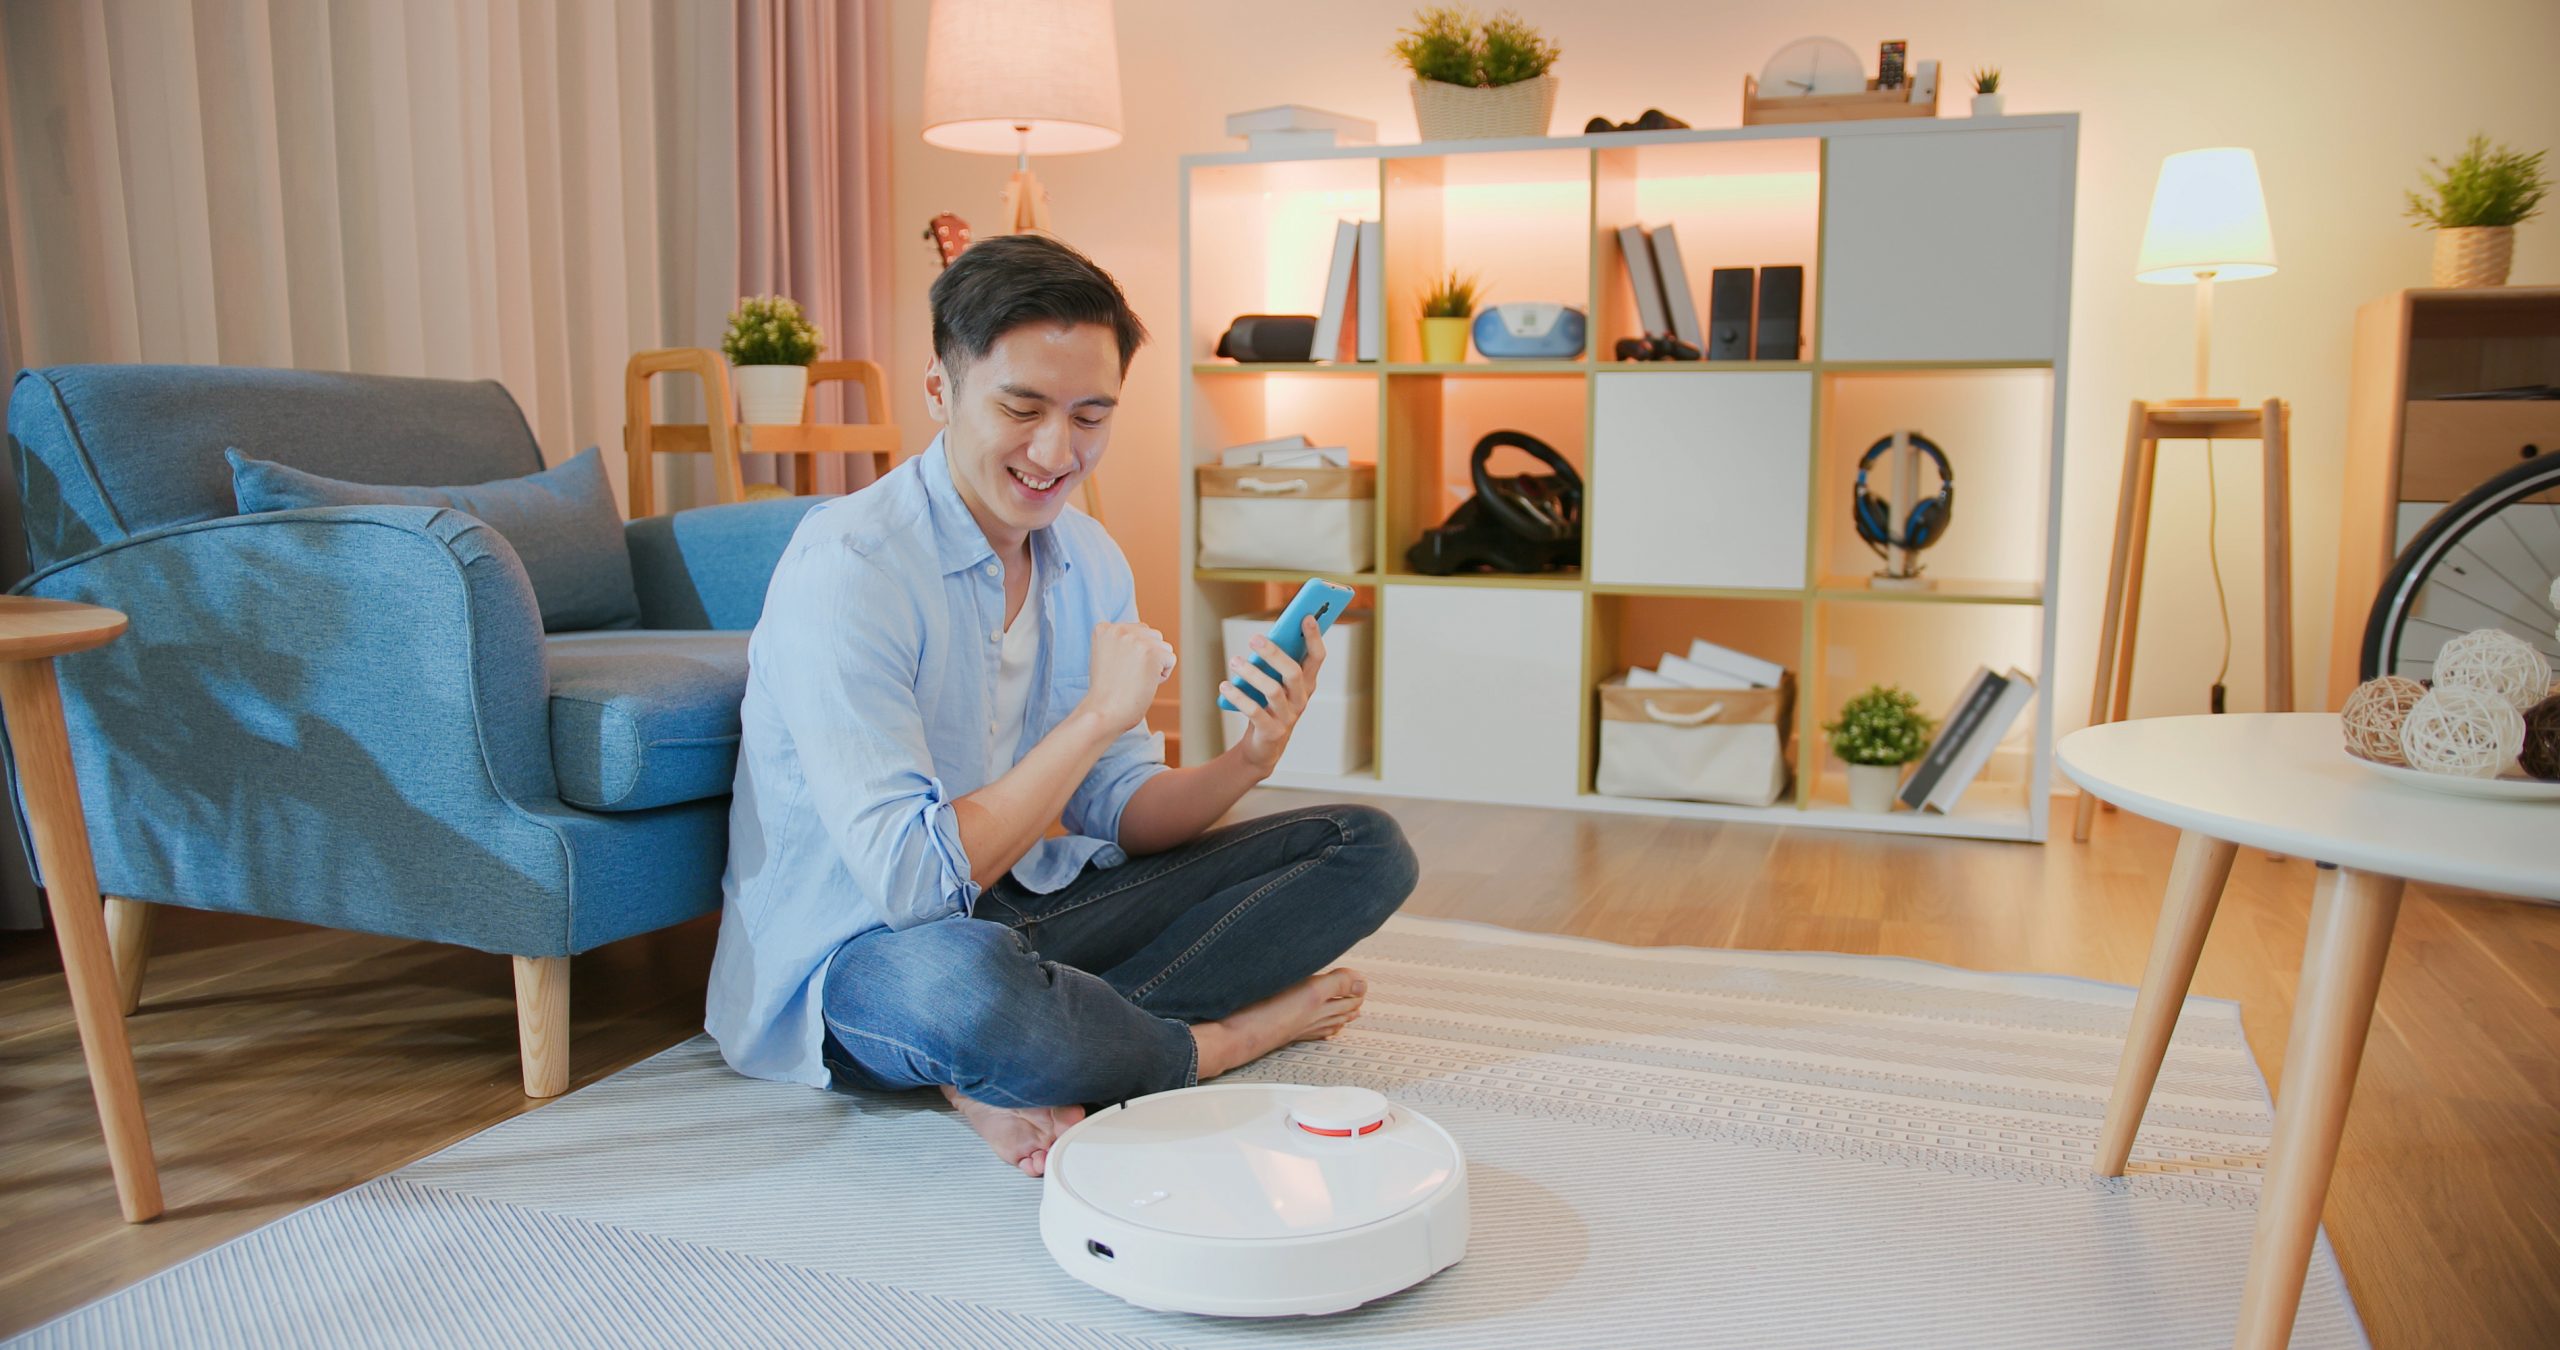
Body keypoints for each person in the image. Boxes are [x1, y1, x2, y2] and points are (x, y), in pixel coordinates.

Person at [705, 234, 1418, 1177]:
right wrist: (1091, 719)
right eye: (1022, 407)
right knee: (969, 996)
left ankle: (1018, 1062)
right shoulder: (853, 569)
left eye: (1091, 416)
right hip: (869, 957)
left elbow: (1120, 811)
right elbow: (918, 891)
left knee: (1363, 849)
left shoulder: (1089, 561)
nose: (1056, 451)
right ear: (940, 390)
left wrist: (1249, 757)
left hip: (1030, 910)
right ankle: (1212, 1045)